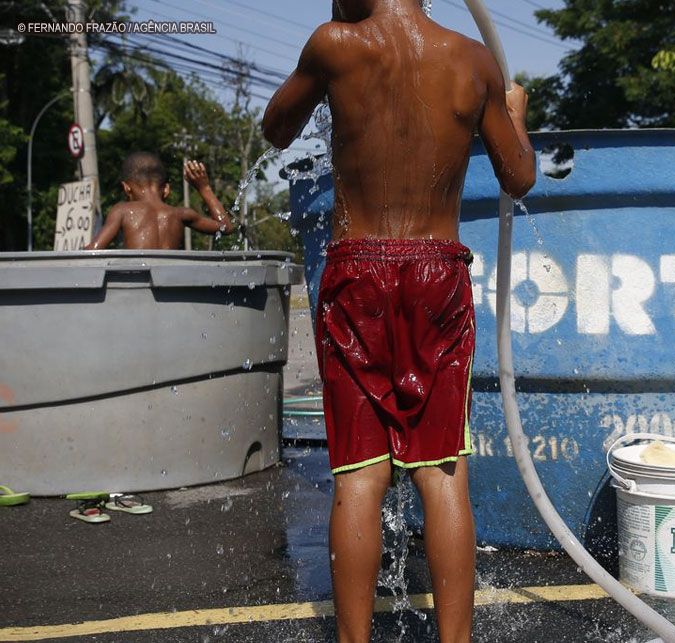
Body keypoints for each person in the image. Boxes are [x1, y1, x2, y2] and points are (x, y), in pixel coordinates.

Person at [263, 1, 535, 641]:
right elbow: (518, 176)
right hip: (437, 271)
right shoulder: (472, 59)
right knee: (443, 473)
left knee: (359, 478)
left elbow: (276, 128)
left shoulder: (335, 44)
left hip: (357, 269)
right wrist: (515, 114)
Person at [85, 152, 234, 250]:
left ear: (126, 188)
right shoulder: (181, 214)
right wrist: (204, 188)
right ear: (167, 189)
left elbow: (93, 251)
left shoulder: (122, 211)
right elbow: (225, 227)